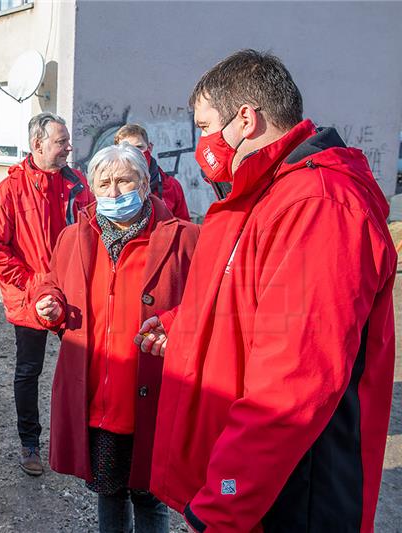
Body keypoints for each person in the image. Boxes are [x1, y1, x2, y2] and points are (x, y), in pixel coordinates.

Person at [136, 49, 396, 532]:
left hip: (293, 495)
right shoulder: (266, 195)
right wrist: (183, 327)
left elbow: (293, 382)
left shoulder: (319, 206)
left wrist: (222, 504)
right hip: (259, 488)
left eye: (206, 124)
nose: (202, 142)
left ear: (246, 119)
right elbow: (249, 303)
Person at [32, 143, 198, 533]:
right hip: (100, 398)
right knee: (109, 491)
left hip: (152, 394)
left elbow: (208, 304)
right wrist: (50, 302)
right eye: (103, 183)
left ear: (145, 184)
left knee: (149, 494)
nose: (114, 191)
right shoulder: (73, 237)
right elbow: (55, 284)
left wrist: (173, 323)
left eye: (125, 181)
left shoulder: (183, 239)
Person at [0, 112, 94, 476]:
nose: (68, 149)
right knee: (30, 370)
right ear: (37, 144)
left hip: (74, 294)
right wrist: (31, 283)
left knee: (87, 364)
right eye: (61, 142)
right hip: (31, 299)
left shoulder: (78, 184)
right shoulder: (9, 191)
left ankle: (84, 440)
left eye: (68, 141)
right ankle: (30, 443)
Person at [113, 124, 190, 221]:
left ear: (149, 148)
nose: (134, 153)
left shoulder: (171, 186)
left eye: (139, 147)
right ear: (116, 152)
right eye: (127, 149)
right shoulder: (110, 188)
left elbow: (184, 229)